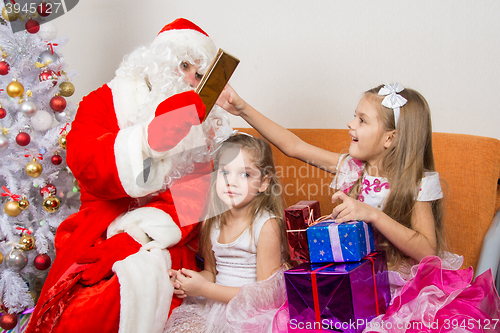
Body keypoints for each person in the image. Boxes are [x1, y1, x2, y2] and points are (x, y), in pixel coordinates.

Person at [217, 83, 500, 331]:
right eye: (355, 116)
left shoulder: (417, 182)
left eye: (362, 120)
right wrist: (241, 108)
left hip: (399, 290)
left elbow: (427, 250)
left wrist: (372, 214)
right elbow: (294, 146)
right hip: (350, 284)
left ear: (389, 138)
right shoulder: (351, 170)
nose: (350, 124)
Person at [26, 18, 231, 333]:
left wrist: (135, 238)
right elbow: (84, 161)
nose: (190, 78)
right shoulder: (105, 99)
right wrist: (147, 141)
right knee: (77, 306)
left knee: (121, 291)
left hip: (164, 234)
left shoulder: (201, 124)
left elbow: (193, 203)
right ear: (159, 60)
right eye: (184, 64)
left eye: (199, 75)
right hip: (97, 223)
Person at [164, 134, 290, 333]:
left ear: (264, 183)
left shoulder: (266, 225)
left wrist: (205, 290)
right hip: (214, 306)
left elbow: (264, 297)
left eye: (245, 174)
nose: (231, 182)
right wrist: (188, 281)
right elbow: (212, 273)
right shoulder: (211, 221)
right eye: (225, 172)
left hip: (251, 314)